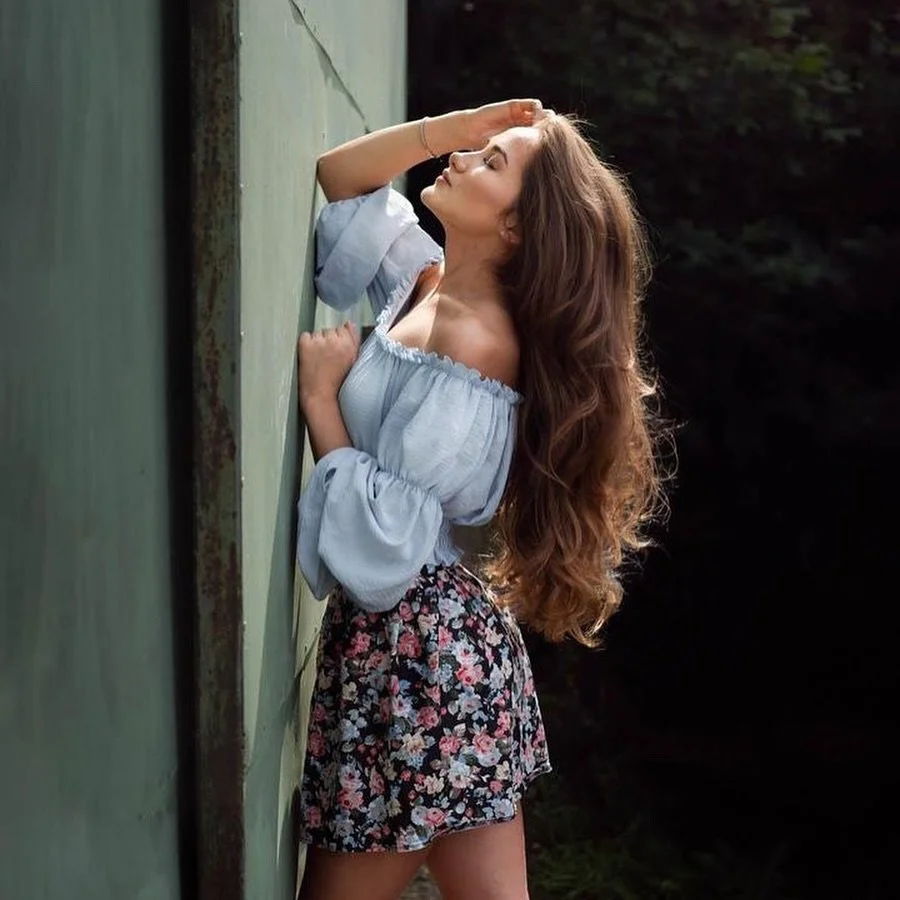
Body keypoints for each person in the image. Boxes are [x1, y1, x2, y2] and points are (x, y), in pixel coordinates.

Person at [295, 99, 664, 900]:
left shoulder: (477, 342)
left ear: (517, 229)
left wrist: (323, 401)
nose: (463, 161)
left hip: (416, 662)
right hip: (428, 654)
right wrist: (462, 128)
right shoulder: (426, 282)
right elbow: (340, 177)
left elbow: (388, 545)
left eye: (492, 163)